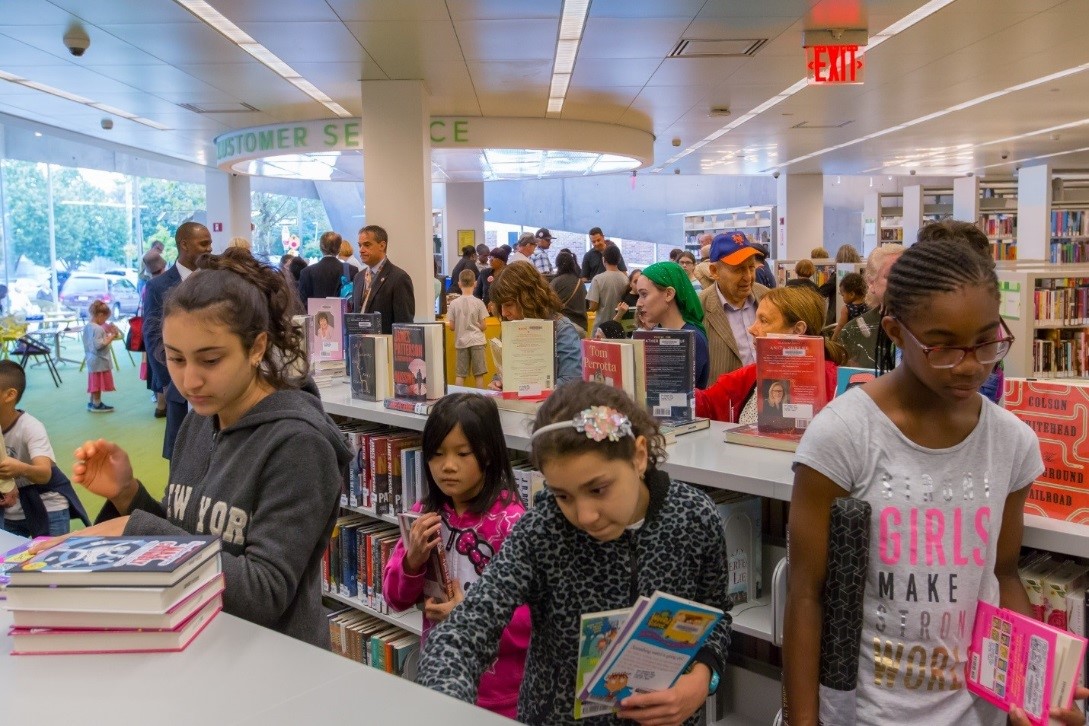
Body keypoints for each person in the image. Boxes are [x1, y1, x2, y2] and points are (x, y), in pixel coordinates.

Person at [784, 235, 1089, 726]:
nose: (971, 365)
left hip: (975, 709)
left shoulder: (1011, 442)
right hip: (867, 711)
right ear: (895, 331)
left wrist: (1041, 692)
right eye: (943, 347)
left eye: (987, 342)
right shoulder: (843, 435)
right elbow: (805, 593)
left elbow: (1003, 573)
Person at [43, 247, 352, 648]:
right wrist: (127, 495)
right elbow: (186, 535)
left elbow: (264, 594)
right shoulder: (200, 418)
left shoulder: (299, 444)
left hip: (271, 667)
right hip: (197, 649)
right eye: (175, 358)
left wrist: (135, 531)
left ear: (257, 348)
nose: (189, 381)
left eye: (210, 360)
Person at [417, 381, 731, 725]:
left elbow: (714, 614)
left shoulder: (695, 518)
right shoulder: (541, 532)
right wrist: (444, 705)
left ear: (639, 456)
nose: (585, 516)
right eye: (563, 496)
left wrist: (703, 679)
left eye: (598, 489)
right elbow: (465, 630)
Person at [383, 394, 530, 719]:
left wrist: (468, 615)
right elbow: (394, 599)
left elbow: (533, 618)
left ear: (488, 454)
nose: (447, 466)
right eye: (436, 455)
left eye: (462, 453)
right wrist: (413, 560)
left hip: (501, 696)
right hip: (441, 681)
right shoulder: (425, 515)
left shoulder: (512, 523)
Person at [696, 286, 843, 423]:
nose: (751, 329)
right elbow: (706, 403)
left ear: (798, 330)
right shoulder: (750, 375)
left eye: (763, 321)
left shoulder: (836, 385)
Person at [144, 221, 212, 456]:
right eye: (204, 243)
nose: (209, 248)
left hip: (216, 384)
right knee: (181, 456)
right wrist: (171, 381)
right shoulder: (157, 287)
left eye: (210, 242)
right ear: (184, 244)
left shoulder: (216, 282)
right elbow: (153, 337)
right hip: (178, 389)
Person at [0, 361, 88, 537]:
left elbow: (44, 473)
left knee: (50, 561)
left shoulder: (30, 427)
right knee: (9, 562)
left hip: (48, 505)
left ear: (9, 395)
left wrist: (20, 468)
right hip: (11, 509)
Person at [488, 261, 583, 387]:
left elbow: (572, 381)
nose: (504, 313)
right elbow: (505, 371)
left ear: (529, 299)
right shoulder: (511, 326)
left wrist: (529, 389)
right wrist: (498, 382)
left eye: (509, 305)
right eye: (500, 307)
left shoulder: (562, 330)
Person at [699, 231, 770, 381]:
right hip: (726, 401)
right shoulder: (701, 307)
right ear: (714, 271)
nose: (748, 277)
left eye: (751, 267)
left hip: (768, 396)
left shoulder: (767, 297)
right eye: (738, 270)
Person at [636, 261, 710, 388]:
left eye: (644, 294)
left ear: (669, 294)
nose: (638, 303)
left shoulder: (693, 338)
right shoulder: (657, 333)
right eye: (639, 296)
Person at [838, 243, 905, 369]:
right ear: (871, 283)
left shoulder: (925, 327)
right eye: (891, 276)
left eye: (908, 275)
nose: (901, 282)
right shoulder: (853, 332)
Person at [351, 225, 415, 335]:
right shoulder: (358, 277)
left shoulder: (399, 278)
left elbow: (404, 324)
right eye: (359, 245)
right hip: (360, 346)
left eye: (367, 245)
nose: (361, 250)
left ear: (382, 245)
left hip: (386, 348)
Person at [446, 269, 489, 387]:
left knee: (460, 374)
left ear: (459, 284)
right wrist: (476, 325)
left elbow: (452, 326)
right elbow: (484, 326)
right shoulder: (479, 302)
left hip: (461, 342)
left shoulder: (454, 303)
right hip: (477, 341)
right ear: (475, 283)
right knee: (479, 374)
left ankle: (458, 399)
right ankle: (479, 399)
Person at [83, 299, 121, 413]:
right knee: (97, 384)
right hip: (99, 360)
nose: (105, 321)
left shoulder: (89, 326)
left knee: (94, 382)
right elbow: (99, 345)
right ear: (100, 315)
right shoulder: (98, 329)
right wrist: (111, 336)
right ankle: (97, 404)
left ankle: (92, 401)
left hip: (91, 359)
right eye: (105, 318)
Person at [299, 231, 356, 305]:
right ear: (339, 248)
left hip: (315, 315)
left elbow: (302, 301)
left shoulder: (306, 272)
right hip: (342, 315)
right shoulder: (351, 270)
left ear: (321, 247)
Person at [587, 245, 630, 336]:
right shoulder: (626, 280)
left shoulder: (597, 279)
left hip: (600, 329)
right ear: (619, 260)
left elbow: (593, 307)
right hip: (618, 329)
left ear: (604, 260)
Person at [549, 249, 588, 333]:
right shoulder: (580, 282)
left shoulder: (555, 282)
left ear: (557, 264)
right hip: (582, 327)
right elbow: (587, 304)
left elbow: (548, 304)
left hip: (564, 327)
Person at [831, 271, 869, 341]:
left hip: (851, 341)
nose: (843, 298)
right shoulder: (869, 306)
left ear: (852, 294)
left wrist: (833, 341)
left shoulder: (846, 309)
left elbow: (841, 326)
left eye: (843, 295)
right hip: (866, 340)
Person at [474, 246, 509, 310]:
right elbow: (477, 294)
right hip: (486, 312)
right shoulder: (484, 273)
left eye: (493, 258)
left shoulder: (510, 274)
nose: (490, 260)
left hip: (504, 311)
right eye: (490, 257)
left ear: (502, 261)